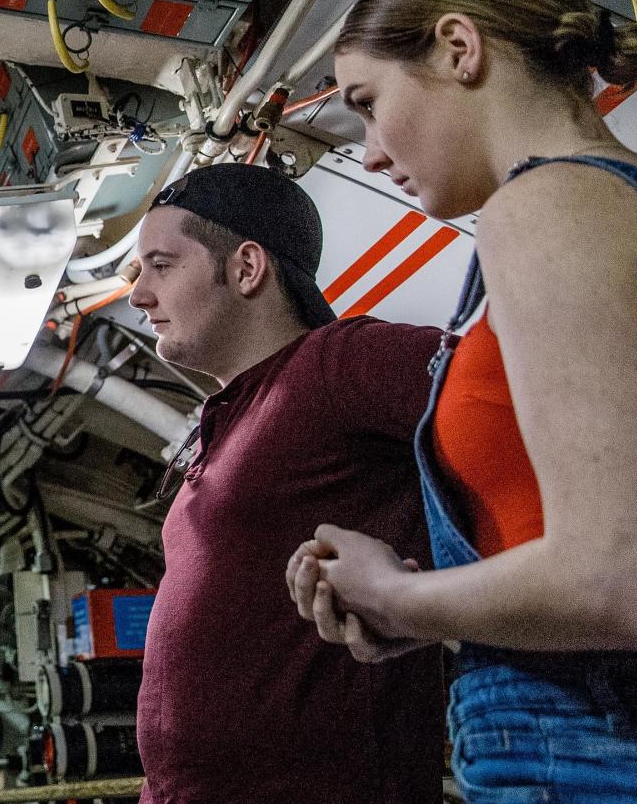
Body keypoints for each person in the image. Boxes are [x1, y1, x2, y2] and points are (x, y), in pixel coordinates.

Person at [287, 0, 637, 802]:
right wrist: (422, 610)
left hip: (600, 753)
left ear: (459, 47)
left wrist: (398, 595)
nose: (370, 152)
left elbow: (630, 584)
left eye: (369, 102)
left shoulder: (547, 208)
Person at [124, 163, 444, 803]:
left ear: (246, 267)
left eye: (160, 266)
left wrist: (439, 596)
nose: (138, 296)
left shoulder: (339, 363)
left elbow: (522, 409)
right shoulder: (232, 416)